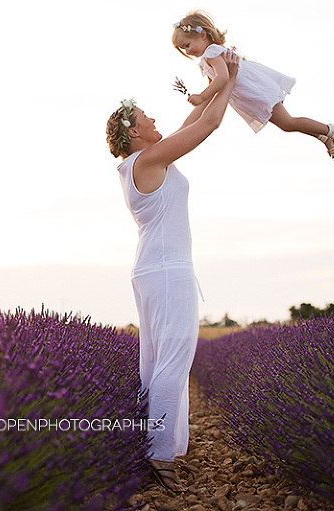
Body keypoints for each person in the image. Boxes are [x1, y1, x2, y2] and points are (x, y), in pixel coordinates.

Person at [105, 50, 239, 492]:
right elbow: (207, 126)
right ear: (132, 131)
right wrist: (231, 79)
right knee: (174, 361)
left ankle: (155, 449)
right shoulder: (146, 162)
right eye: (145, 116)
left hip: (154, 269)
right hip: (166, 270)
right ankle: (159, 457)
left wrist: (216, 80)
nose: (153, 118)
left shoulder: (145, 161)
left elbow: (194, 120)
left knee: (157, 364)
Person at [172, 10, 334, 160]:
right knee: (286, 124)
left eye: (187, 45)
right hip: (251, 95)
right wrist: (203, 104)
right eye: (183, 49)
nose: (188, 51)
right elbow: (215, 86)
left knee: (287, 123)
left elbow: (223, 78)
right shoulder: (208, 58)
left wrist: (202, 95)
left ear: (202, 34)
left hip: (256, 91)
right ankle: (323, 136)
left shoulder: (211, 52)